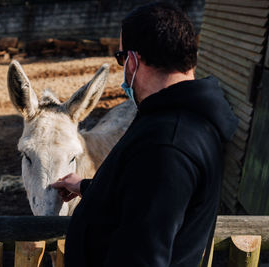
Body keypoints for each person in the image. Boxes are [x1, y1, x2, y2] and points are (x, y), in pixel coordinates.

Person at [50, 2, 239, 267]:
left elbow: (142, 255)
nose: (123, 67)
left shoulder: (168, 145)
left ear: (133, 61)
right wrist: (85, 187)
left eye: (121, 58)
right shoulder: (181, 121)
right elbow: (143, 194)